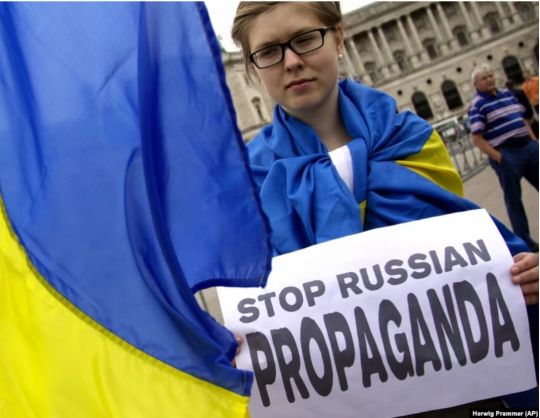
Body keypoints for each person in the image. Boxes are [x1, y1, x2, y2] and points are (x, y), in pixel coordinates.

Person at [231, 1, 538, 412]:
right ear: (252, 68)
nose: (291, 62)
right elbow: (254, 300)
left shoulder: (414, 139)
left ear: (338, 37)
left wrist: (524, 273)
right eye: (269, 51)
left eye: (305, 39)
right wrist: (234, 341)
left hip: (463, 386)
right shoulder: (246, 186)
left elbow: (475, 256)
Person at [469, 64, 539, 253]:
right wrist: (500, 157)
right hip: (507, 154)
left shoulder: (507, 94)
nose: (489, 79)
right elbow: (477, 137)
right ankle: (525, 241)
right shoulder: (477, 105)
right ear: (476, 84)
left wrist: (534, 142)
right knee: (514, 200)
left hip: (528, 147)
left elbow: (522, 119)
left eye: (490, 75)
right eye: (484, 78)